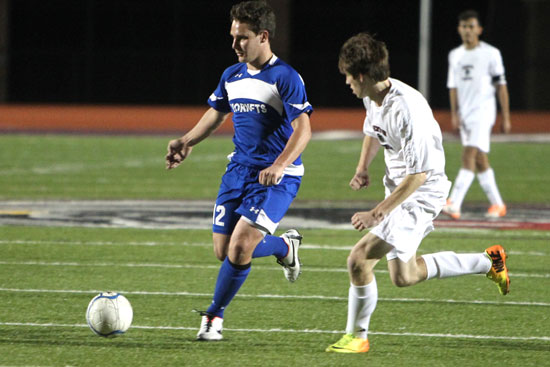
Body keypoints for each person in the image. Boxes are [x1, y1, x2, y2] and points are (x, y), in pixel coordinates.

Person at [325, 33, 510, 354]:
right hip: (400, 189)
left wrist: (378, 211)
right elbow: (373, 130)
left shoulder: (410, 111)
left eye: (347, 76)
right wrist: (362, 168)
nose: (346, 83)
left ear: (362, 76)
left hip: (420, 193)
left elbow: (419, 174)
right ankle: (489, 262)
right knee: (404, 275)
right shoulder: (373, 96)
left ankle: (357, 336)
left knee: (359, 259)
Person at [165, 0, 313, 341]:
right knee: (223, 250)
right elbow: (216, 113)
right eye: (233, 36)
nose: (234, 45)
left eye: (242, 38)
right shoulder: (231, 75)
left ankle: (213, 318)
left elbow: (303, 130)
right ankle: (284, 248)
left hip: (277, 178)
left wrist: (279, 165)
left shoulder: (285, 77)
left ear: (263, 36)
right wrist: (186, 141)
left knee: (241, 246)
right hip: (238, 172)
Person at [442, 9, 511, 220]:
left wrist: (506, 117)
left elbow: (501, 85)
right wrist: (455, 114)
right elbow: (452, 87)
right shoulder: (455, 55)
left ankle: (454, 203)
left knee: (468, 154)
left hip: (483, 111)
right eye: (464, 27)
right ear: (459, 29)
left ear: (479, 29)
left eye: (471, 27)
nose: (467, 31)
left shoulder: (491, 53)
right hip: (466, 114)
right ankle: (498, 205)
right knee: (480, 159)